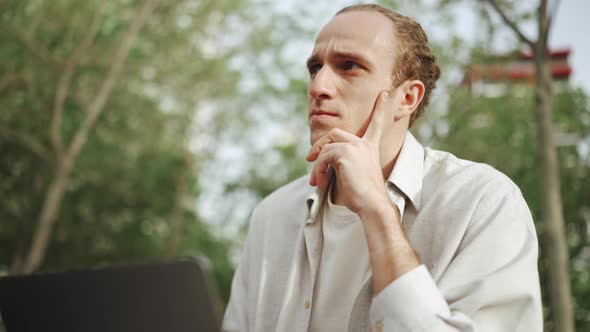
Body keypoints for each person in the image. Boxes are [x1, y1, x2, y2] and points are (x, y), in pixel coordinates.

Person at [222, 4, 542, 332]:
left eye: (349, 66)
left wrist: (378, 211)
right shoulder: (271, 217)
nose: (318, 86)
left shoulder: (482, 202)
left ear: (407, 98)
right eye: (315, 67)